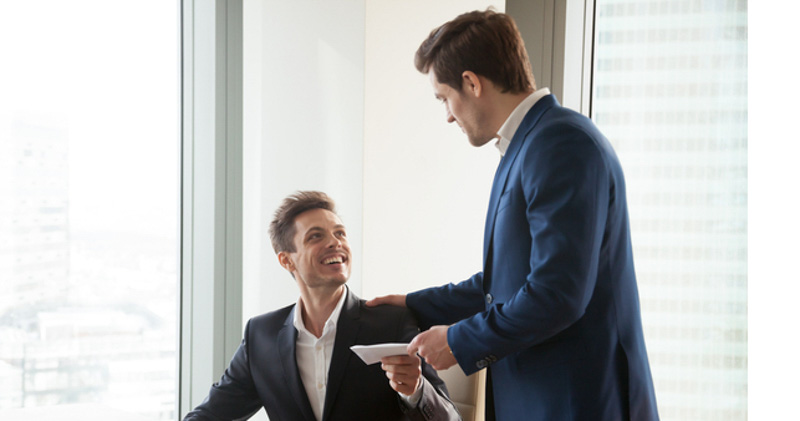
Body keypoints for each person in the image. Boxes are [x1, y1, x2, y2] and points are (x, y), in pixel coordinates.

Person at [367, 9, 659, 421]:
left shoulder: (560, 144)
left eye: (444, 98)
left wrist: (457, 340)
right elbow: (507, 283)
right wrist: (415, 304)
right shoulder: (528, 146)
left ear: (472, 82)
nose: (448, 114)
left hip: (577, 402)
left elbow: (556, 294)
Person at [184, 191, 460, 421]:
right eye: (315, 236)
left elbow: (450, 418)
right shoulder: (261, 335)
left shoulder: (392, 322)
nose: (335, 242)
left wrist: (415, 390)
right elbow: (211, 415)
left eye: (340, 233)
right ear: (286, 260)